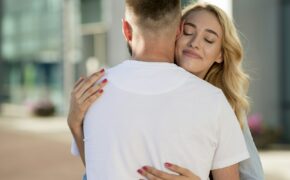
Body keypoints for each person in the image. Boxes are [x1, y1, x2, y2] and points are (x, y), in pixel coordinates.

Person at [68, 0, 249, 179]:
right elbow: (99, 169)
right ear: (179, 30)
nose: (195, 43)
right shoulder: (214, 102)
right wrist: (74, 125)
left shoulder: (94, 92)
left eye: (209, 39)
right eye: (188, 32)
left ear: (126, 29)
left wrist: (75, 124)